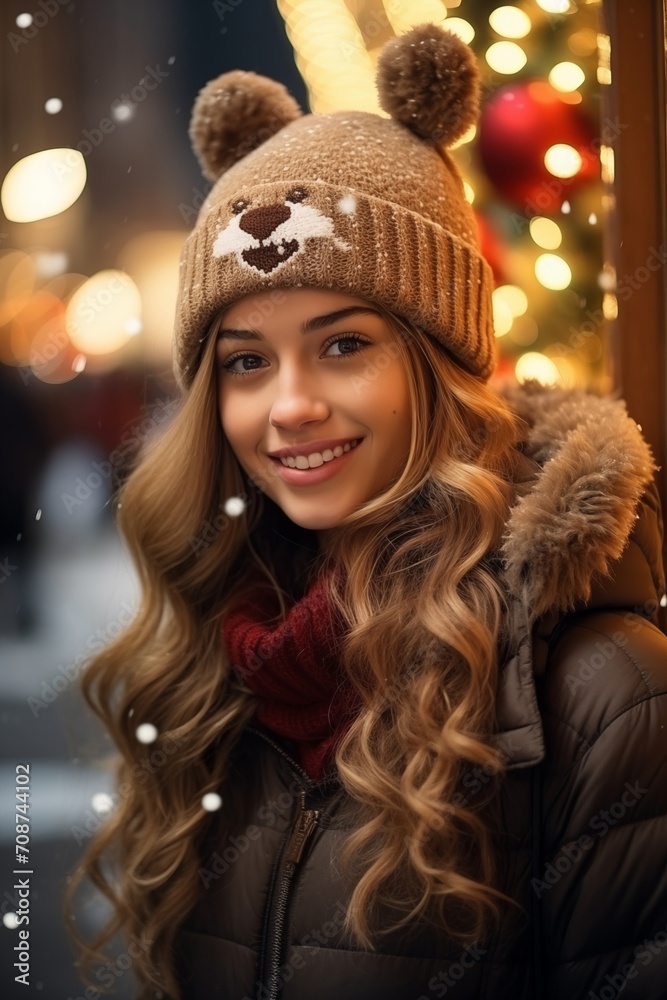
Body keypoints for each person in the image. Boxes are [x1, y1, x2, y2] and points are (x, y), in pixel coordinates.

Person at [67, 22, 667, 1000]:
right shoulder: (212, 665)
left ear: (440, 365)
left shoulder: (598, 692)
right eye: (246, 361)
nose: (290, 404)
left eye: (343, 344)